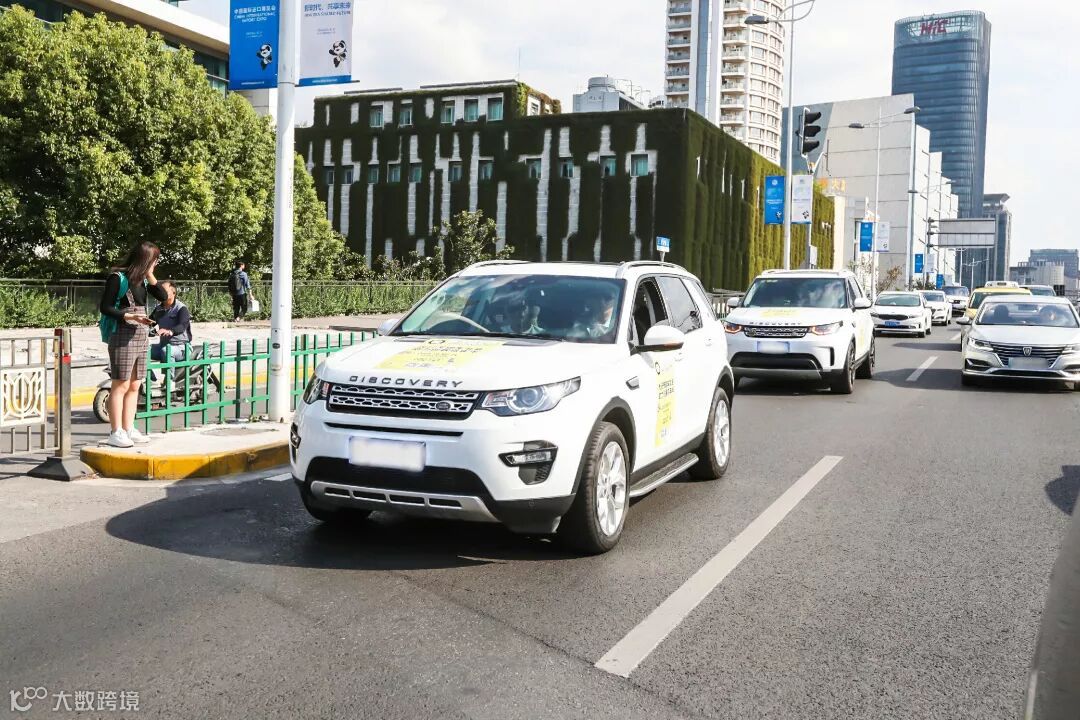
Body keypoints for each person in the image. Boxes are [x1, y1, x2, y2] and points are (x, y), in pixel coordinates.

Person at [99, 241, 168, 448]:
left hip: (141, 335)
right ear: (145, 260)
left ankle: (129, 428)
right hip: (122, 334)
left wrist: (150, 274)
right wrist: (129, 316)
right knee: (120, 384)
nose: (156, 263)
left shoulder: (144, 280)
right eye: (154, 260)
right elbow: (105, 307)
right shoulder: (117, 278)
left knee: (135, 384)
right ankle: (116, 431)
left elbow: (163, 297)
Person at [149, 281, 192, 364]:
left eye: (164, 291)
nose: (161, 293)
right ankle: (148, 374)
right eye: (160, 291)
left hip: (182, 347)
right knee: (143, 350)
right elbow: (151, 322)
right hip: (163, 345)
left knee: (166, 351)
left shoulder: (181, 308)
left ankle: (170, 373)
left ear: (174, 293)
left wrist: (170, 331)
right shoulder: (158, 309)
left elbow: (182, 326)